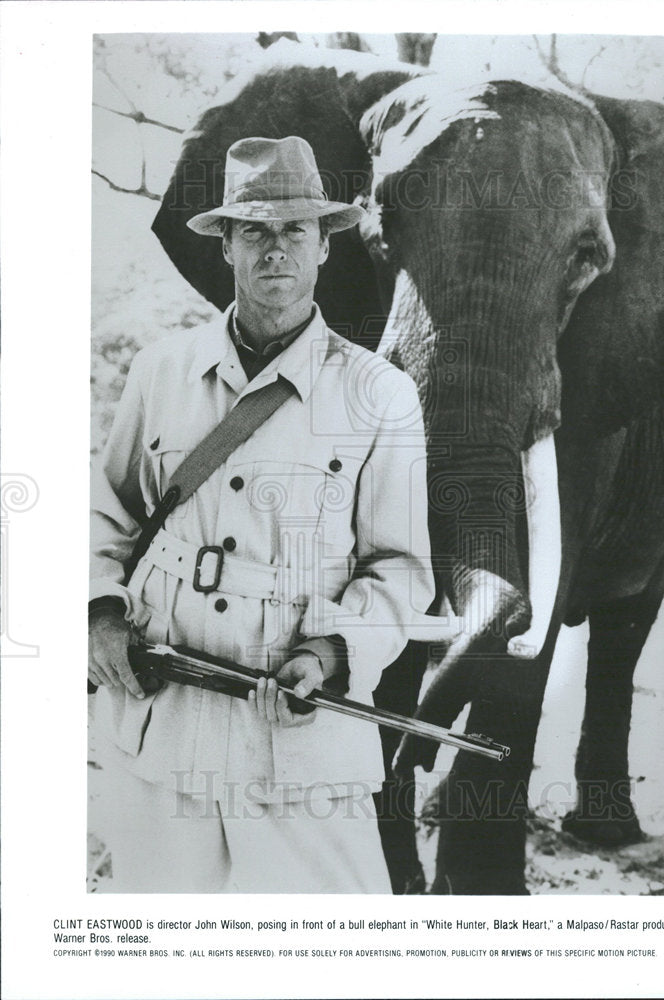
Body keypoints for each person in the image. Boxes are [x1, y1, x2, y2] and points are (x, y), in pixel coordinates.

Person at [89, 136, 435, 893]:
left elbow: (400, 571)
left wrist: (333, 653)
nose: (274, 250)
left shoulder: (380, 392)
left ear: (322, 248)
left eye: (294, 231)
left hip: (300, 726)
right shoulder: (161, 370)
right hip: (162, 714)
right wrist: (101, 617)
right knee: (161, 949)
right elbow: (107, 515)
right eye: (255, 231)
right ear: (226, 246)